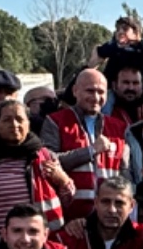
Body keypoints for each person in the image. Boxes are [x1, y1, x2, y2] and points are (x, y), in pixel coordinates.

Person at [0, 99, 74, 241]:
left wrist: (63, 180)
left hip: (41, 241)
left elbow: (68, 200)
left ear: (28, 124)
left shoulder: (45, 156)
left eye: (19, 119)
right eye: (7, 120)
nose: (14, 124)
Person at [43, 69, 132, 223]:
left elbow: (125, 174)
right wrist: (90, 151)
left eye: (101, 92)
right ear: (75, 91)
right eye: (90, 91)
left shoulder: (119, 127)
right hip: (70, 218)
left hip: (109, 218)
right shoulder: (55, 121)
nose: (96, 97)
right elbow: (49, 163)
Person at [92, 16, 143, 87]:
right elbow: (101, 52)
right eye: (118, 29)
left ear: (135, 32)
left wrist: (138, 41)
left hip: (138, 89)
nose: (120, 32)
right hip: (113, 88)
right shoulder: (113, 46)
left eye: (125, 29)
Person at [107, 65, 143, 130]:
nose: (131, 88)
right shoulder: (105, 111)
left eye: (135, 83)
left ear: (142, 86)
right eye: (126, 83)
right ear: (114, 85)